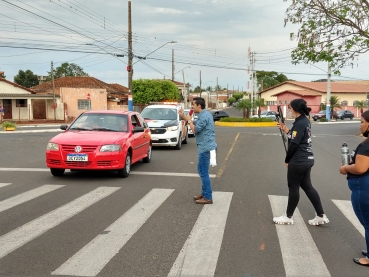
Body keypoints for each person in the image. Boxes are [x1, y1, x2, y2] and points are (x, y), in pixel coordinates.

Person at [273, 98, 329, 225]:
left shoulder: (300, 123)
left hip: (298, 160)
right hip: (307, 159)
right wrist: (286, 130)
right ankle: (321, 215)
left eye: (290, 107)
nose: (289, 109)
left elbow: (294, 144)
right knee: (307, 186)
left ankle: (288, 217)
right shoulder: (304, 121)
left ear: (296, 109)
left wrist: (287, 159)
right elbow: (295, 137)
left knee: (293, 188)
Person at [340, 110, 369, 266]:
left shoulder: (367, 146)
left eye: (362, 122)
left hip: (363, 187)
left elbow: (360, 168)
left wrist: (345, 168)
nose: (360, 126)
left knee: (368, 222)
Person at [179, 97, 217, 204]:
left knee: (203, 172)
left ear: (199, 106)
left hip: (206, 148)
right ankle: (204, 193)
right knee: (201, 171)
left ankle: (208, 197)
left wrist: (189, 120)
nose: (192, 106)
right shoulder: (202, 115)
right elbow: (192, 124)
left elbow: (195, 130)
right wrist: (184, 117)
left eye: (193, 104)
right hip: (205, 147)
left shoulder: (204, 116)